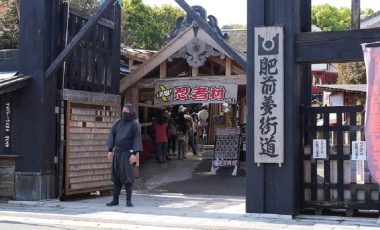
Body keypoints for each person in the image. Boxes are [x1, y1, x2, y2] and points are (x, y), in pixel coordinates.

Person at [105, 103, 143, 207]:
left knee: (128, 177)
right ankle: (115, 199)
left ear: (131, 112)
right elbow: (112, 136)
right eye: (124, 111)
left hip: (128, 153)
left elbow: (137, 140)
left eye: (127, 111)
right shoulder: (117, 122)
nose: (125, 113)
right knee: (116, 176)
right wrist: (110, 150)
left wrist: (134, 154)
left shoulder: (135, 124)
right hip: (117, 152)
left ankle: (128, 200)